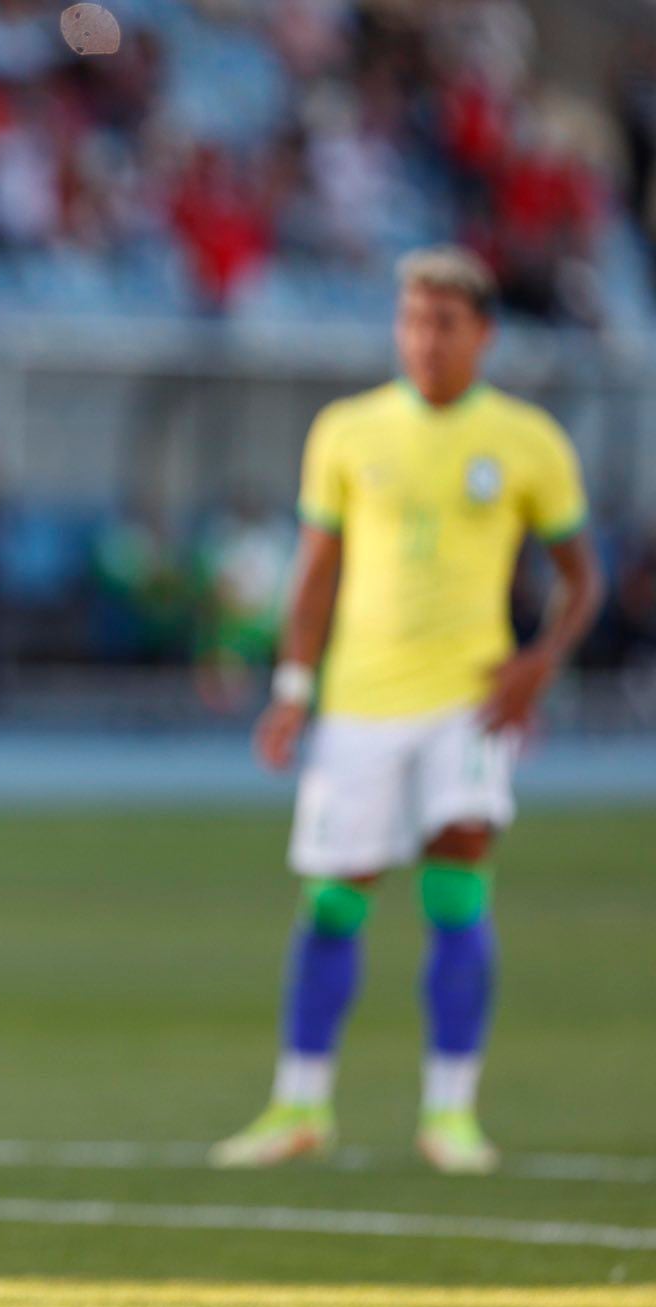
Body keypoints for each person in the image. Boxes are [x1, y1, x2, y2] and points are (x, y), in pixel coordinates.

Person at [213, 246, 603, 1175]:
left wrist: (542, 660)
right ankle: (301, 1102)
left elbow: (582, 578)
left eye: (444, 324)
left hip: (469, 702)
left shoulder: (527, 441)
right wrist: (292, 690)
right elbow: (315, 573)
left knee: (457, 885)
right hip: (358, 703)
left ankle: (451, 1113)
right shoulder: (348, 431)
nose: (424, 341)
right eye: (412, 322)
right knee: (336, 900)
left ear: (483, 335)